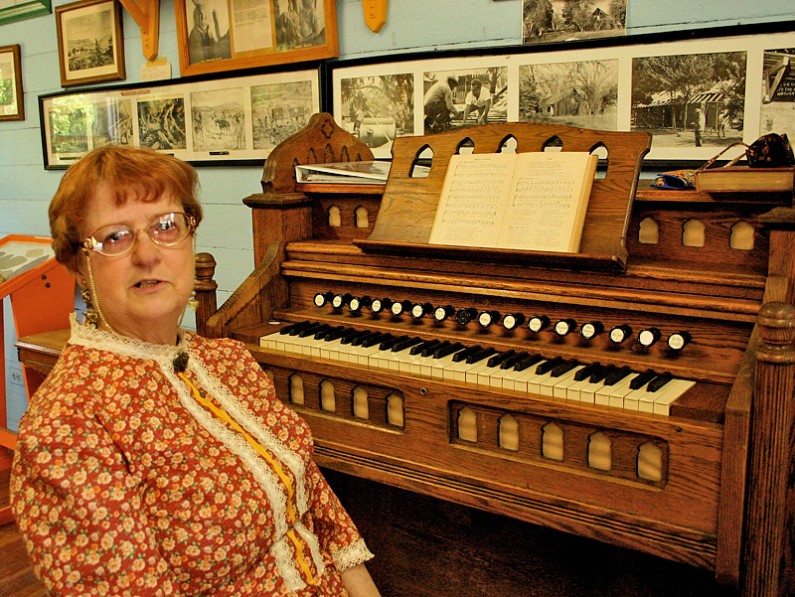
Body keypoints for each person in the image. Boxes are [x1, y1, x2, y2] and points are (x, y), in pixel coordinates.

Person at [10, 145, 381, 596]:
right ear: (78, 265)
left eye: (166, 226)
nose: (148, 254)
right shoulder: (66, 426)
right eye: (115, 237)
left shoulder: (227, 362)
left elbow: (314, 501)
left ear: (189, 235)